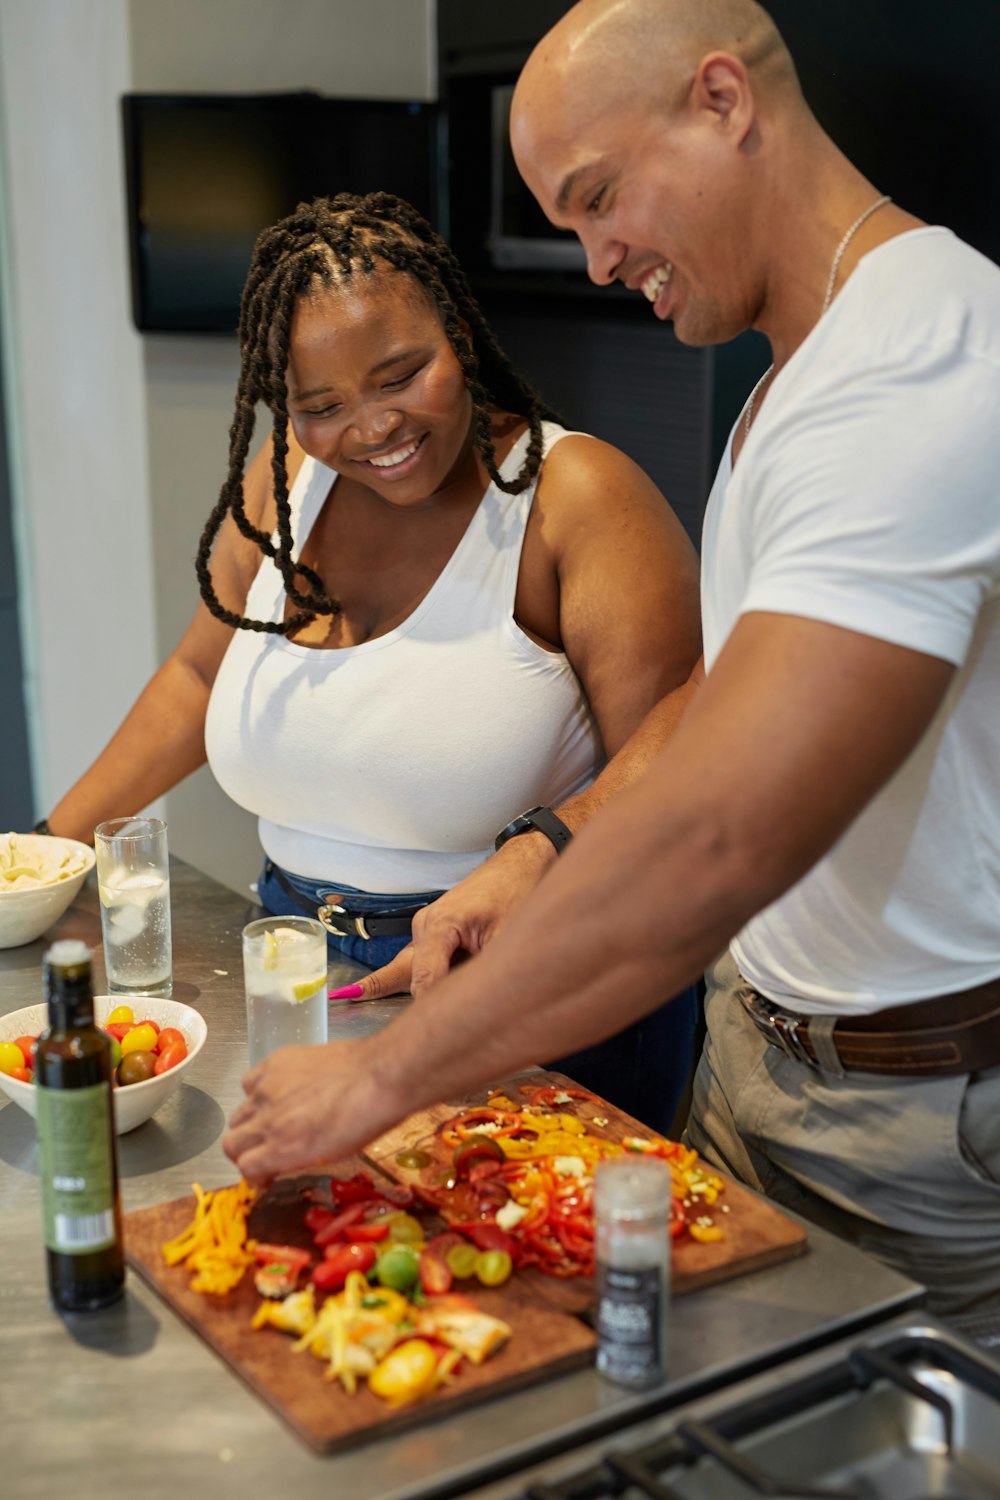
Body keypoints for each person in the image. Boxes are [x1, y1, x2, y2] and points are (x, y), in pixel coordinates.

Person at [223, 1, 1000, 1345]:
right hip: (761, 1068)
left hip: (918, 1125)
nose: (594, 263)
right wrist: (546, 855)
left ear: (721, 100)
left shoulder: (916, 365)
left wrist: (379, 1084)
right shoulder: (796, 377)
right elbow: (719, 734)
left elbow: (718, 835)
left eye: (599, 200)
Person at [41, 190, 702, 1132]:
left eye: (401, 375)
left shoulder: (574, 498)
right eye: (321, 405)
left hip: (529, 982)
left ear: (461, 335)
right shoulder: (284, 487)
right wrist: (47, 853)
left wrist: (544, 848)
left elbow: (684, 747)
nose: (372, 428)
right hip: (301, 974)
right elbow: (195, 678)